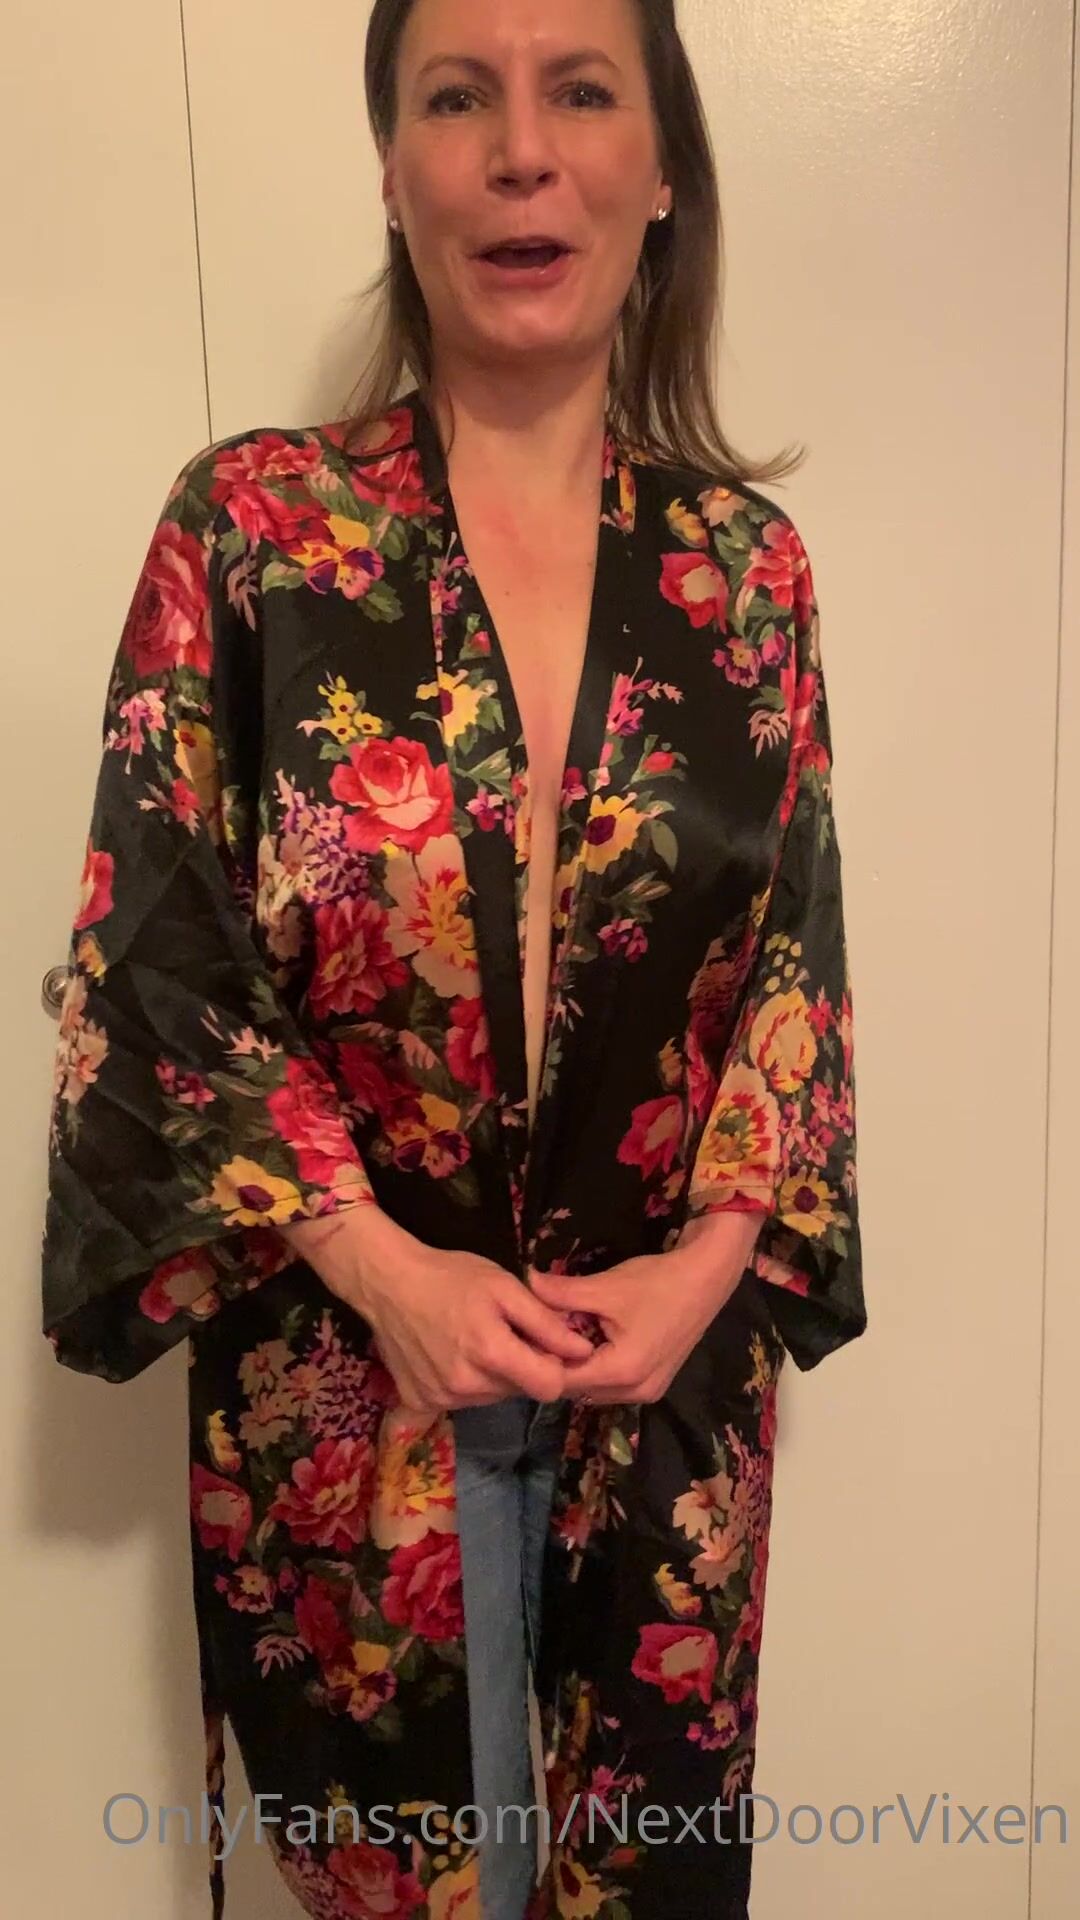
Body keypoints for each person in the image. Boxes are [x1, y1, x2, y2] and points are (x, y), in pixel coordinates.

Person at [40, 1, 866, 1915]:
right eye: (455, 96)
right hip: (349, 1386)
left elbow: (796, 977)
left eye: (581, 90)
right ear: (393, 170)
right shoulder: (254, 535)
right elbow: (151, 951)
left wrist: (703, 1273)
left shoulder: (749, 576)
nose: (520, 151)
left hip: (657, 1401)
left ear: (662, 175)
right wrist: (380, 1266)